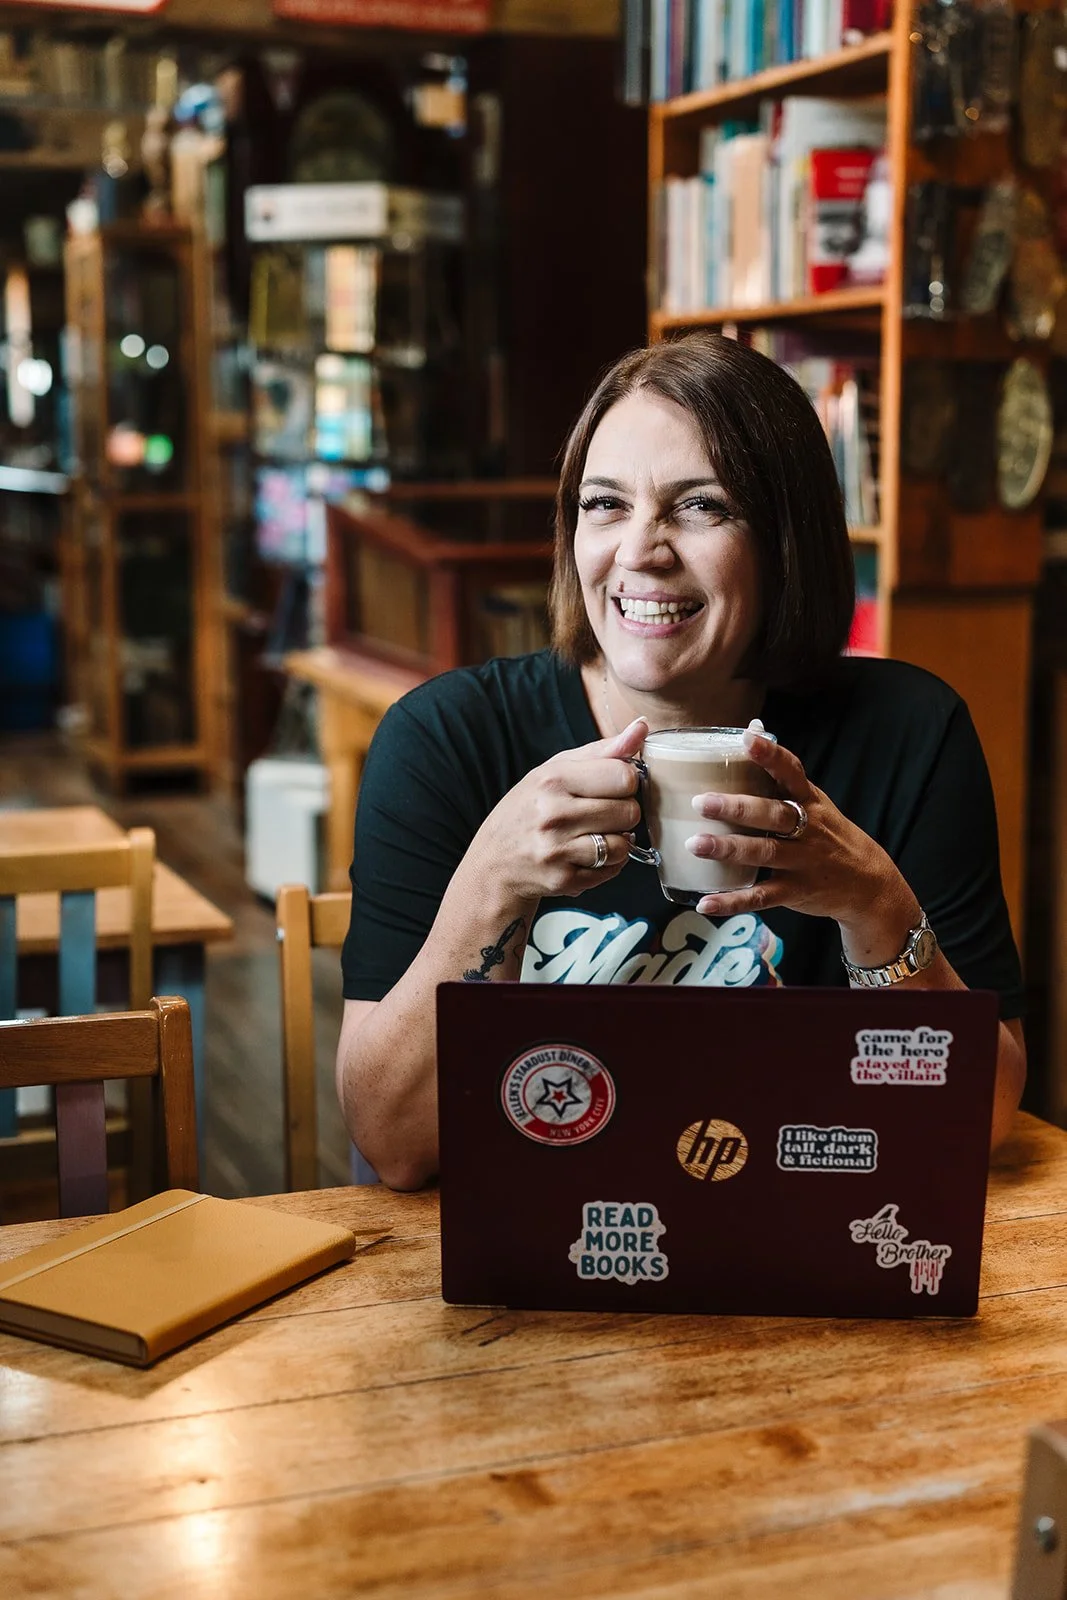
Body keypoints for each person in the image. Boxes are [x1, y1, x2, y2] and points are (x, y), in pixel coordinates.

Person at [335, 333, 1026, 1189]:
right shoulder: (447, 740)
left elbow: (980, 1120)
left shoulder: (906, 732)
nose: (640, 550)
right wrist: (491, 886)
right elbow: (396, 1145)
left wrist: (872, 903)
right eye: (604, 504)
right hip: (524, 1246)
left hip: (797, 1225)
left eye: (700, 506)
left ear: (786, 539)